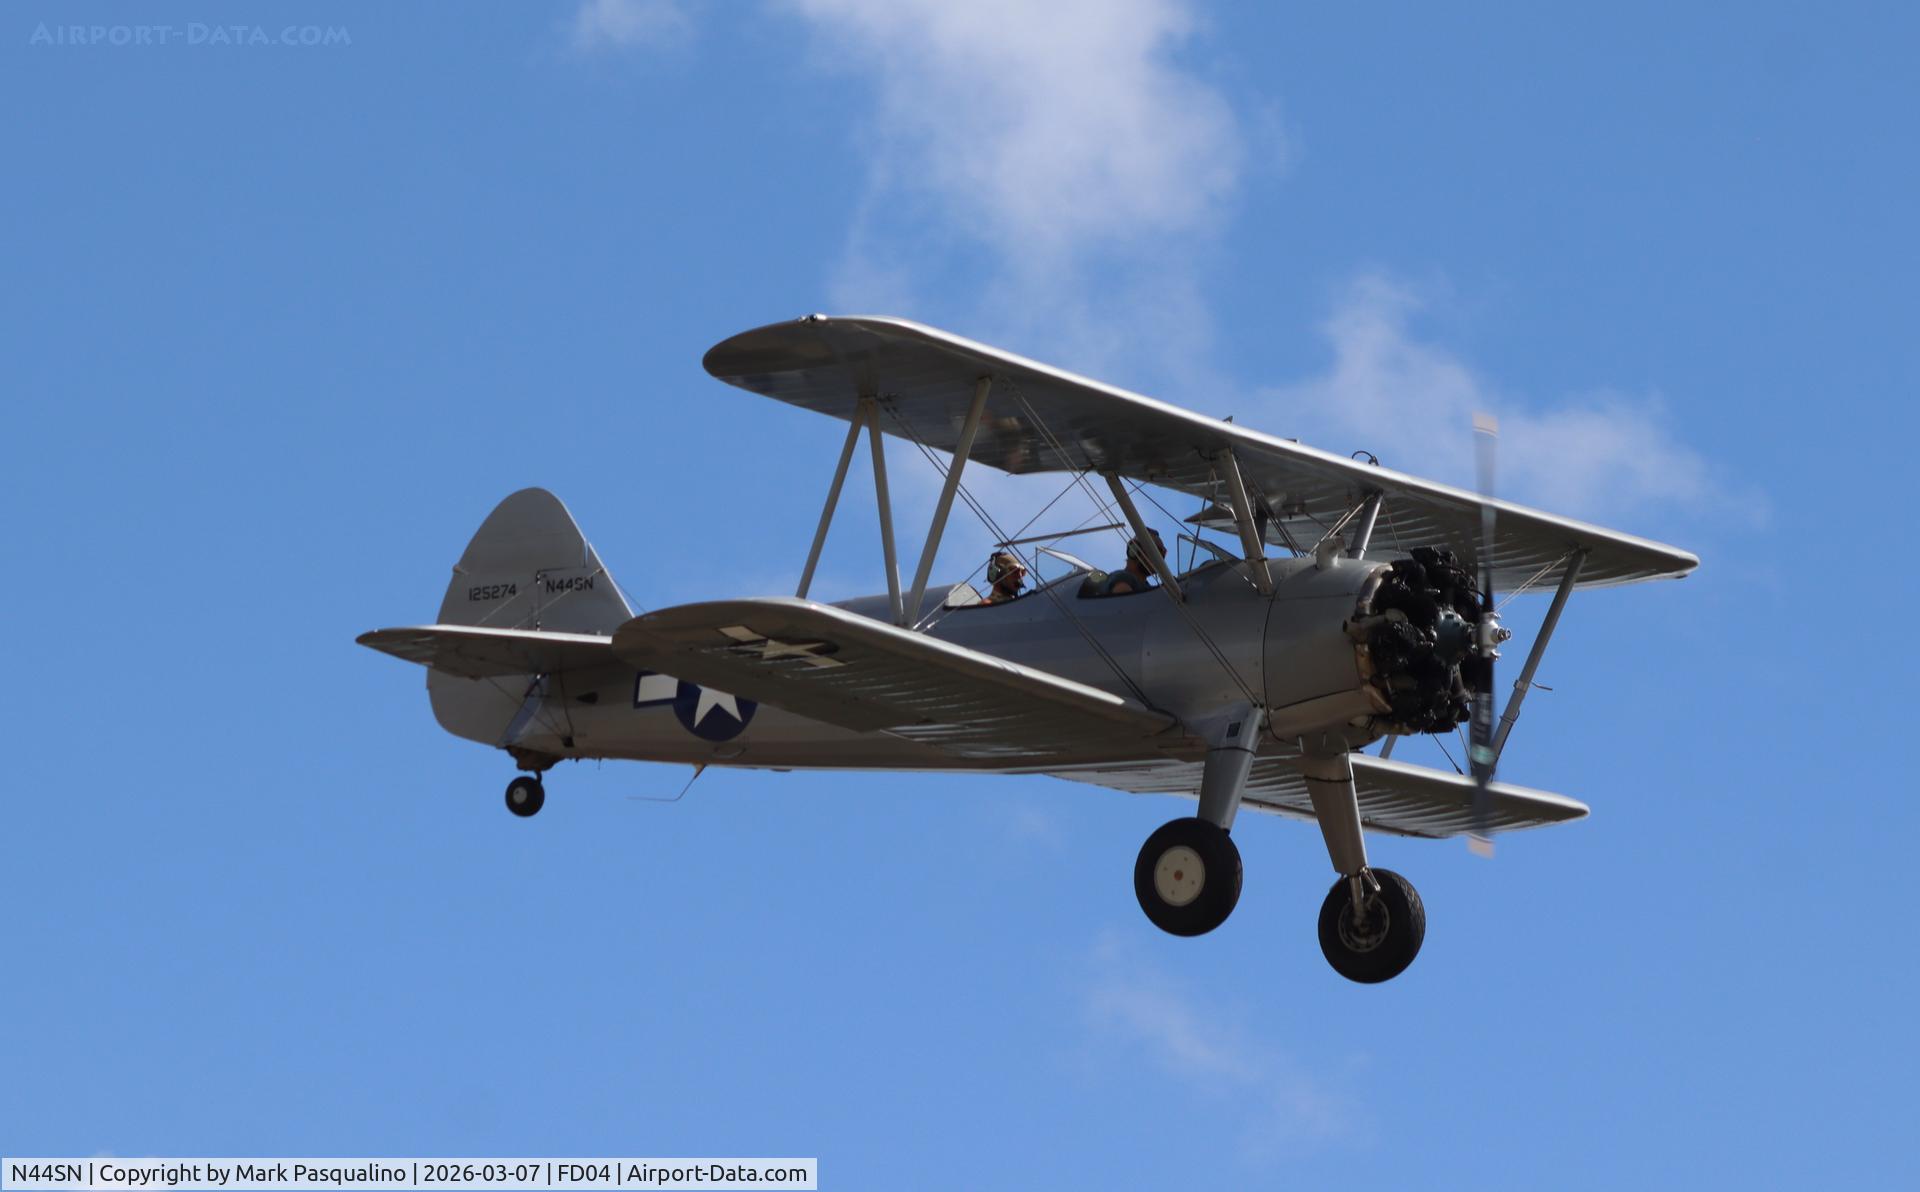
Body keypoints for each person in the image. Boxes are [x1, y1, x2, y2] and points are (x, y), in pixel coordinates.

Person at [1082, 529, 1165, 597]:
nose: (1160, 560)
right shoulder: (1123, 577)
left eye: (1162, 555)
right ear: (1134, 550)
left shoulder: (1148, 588)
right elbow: (1126, 605)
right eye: (1155, 551)